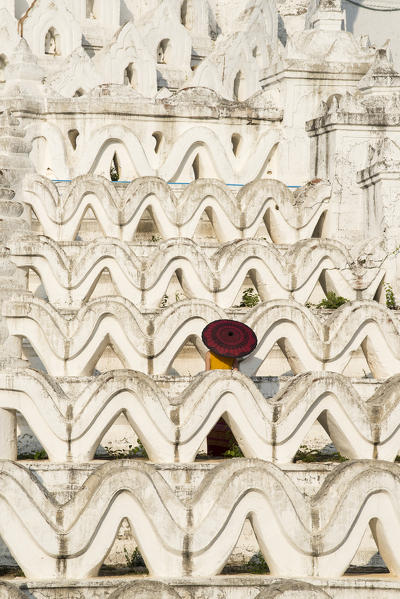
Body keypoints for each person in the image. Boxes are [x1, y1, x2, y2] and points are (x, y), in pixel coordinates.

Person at [205, 350, 239, 456]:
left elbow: (207, 372)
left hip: (214, 387)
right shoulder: (233, 354)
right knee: (227, 419)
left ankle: (213, 450)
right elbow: (236, 371)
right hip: (228, 388)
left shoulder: (209, 353)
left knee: (213, 418)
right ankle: (226, 449)